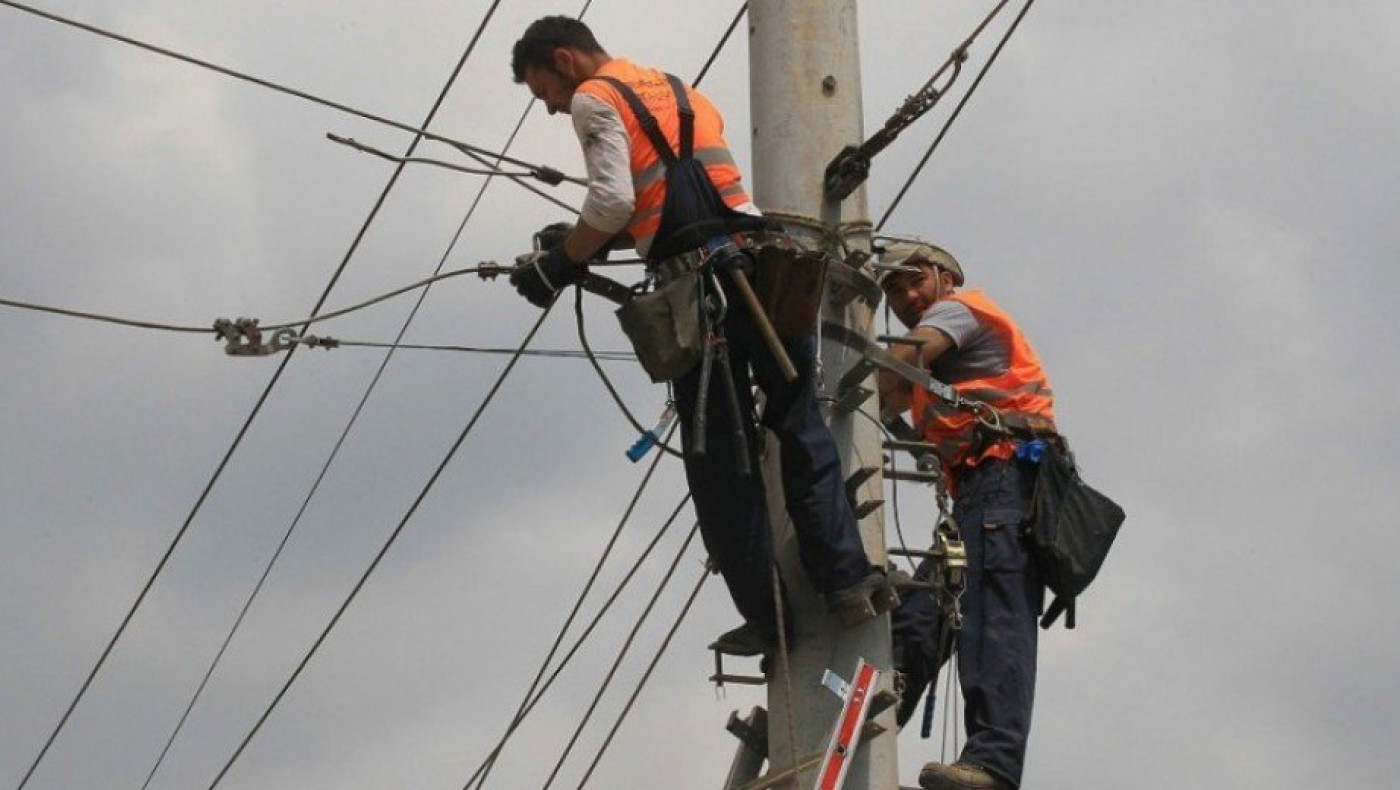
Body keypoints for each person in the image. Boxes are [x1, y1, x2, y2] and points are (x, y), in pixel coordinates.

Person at [506, 16, 894, 656]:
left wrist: (559, 264)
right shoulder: (679, 89)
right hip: (761, 268)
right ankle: (847, 580)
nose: (548, 107)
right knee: (799, 422)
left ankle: (771, 620)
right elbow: (676, 195)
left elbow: (610, 204)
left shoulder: (592, 98)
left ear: (564, 60)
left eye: (540, 88)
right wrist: (582, 249)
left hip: (699, 293)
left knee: (721, 461)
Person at [877, 241, 1057, 790]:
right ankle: (875, 722)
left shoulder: (958, 310)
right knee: (925, 613)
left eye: (914, 280)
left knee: (992, 618)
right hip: (980, 491)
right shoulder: (947, 334)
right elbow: (887, 404)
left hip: (1005, 477)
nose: (907, 297)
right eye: (892, 292)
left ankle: (993, 766)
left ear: (946, 277)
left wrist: (851, 371)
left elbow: (891, 375)